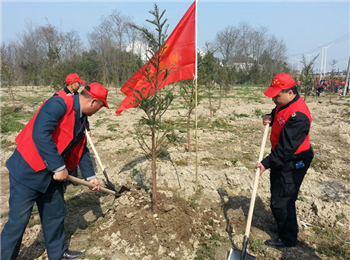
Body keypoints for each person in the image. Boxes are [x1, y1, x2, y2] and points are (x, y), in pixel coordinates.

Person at [1, 83, 109, 260]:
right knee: (18, 222)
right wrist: (58, 167)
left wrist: (91, 177)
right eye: (101, 106)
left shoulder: (82, 119)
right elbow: (40, 133)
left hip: (52, 177)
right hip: (27, 172)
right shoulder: (58, 104)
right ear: (93, 102)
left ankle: (57, 253)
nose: (100, 110)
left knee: (55, 214)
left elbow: (81, 149)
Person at [256, 73, 313, 248]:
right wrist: (270, 117)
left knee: (283, 200)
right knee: (279, 194)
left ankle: (288, 238)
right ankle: (285, 226)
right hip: (283, 157)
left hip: (294, 160)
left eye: (277, 95)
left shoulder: (299, 116)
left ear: (290, 93)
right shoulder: (284, 104)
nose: (273, 99)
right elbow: (278, 113)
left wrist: (266, 163)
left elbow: (286, 149)